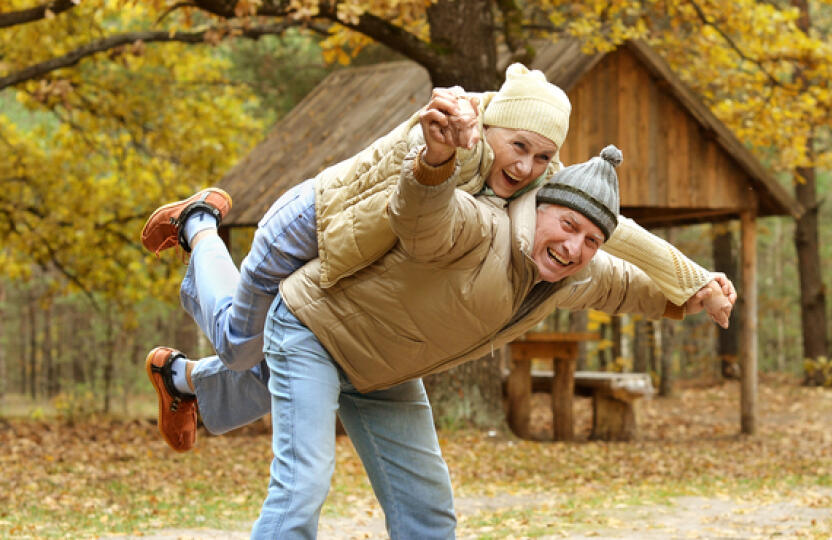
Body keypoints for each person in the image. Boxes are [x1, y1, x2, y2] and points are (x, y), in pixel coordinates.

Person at [143, 64, 735, 452]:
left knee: (275, 365)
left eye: (542, 156)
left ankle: (182, 380)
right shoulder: (460, 132)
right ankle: (199, 226)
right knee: (243, 346)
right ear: (495, 122)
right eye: (520, 146)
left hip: (351, 272)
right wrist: (445, 133)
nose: (526, 165)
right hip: (310, 222)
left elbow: (621, 234)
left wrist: (696, 283)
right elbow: (422, 180)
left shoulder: (537, 187)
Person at [249, 143, 730, 538]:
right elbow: (425, 211)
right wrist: (433, 164)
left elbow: (626, 286)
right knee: (303, 486)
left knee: (428, 508)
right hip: (313, 330)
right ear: (539, 207)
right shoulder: (482, 228)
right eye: (567, 226)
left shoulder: (569, 274)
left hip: (381, 367)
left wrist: (692, 296)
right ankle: (202, 231)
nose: (574, 248)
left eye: (591, 240)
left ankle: (184, 374)